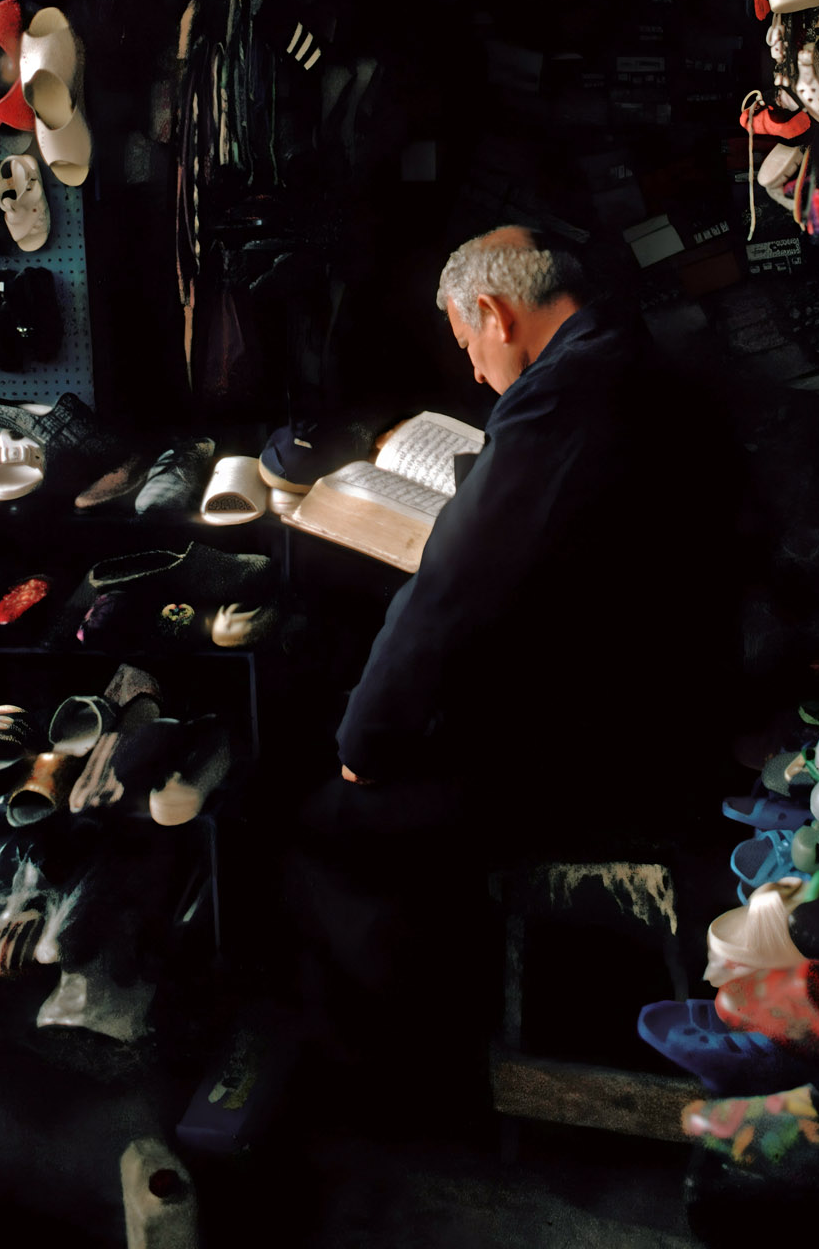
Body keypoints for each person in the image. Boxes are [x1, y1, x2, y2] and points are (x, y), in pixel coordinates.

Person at [283, 225, 729, 1103]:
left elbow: (454, 591)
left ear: (493, 312)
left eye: (469, 348)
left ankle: (398, 1084)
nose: (479, 376)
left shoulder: (563, 395)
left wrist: (365, 740)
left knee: (332, 817)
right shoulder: (632, 355)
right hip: (661, 695)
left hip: (611, 744)